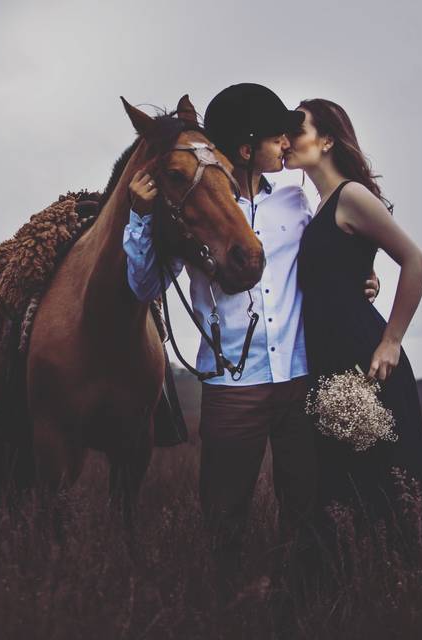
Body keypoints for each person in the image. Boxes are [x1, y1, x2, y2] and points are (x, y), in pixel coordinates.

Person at [122, 83, 379, 612]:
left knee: (306, 508)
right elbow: (146, 286)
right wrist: (141, 217)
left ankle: (302, 607)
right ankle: (223, 610)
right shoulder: (192, 205)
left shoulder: (294, 199)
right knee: (224, 514)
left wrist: (363, 276)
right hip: (233, 386)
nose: (286, 142)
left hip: (301, 376)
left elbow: (324, 260)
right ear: (246, 147)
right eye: (276, 135)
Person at [286, 99, 422, 559]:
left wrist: (392, 340)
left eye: (296, 128)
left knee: (393, 479)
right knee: (343, 485)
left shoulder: (351, 195)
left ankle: (420, 579)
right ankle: (360, 588)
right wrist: (365, 277)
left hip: (366, 361)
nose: (286, 140)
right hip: (328, 364)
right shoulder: (317, 208)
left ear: (327, 140)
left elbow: (416, 261)